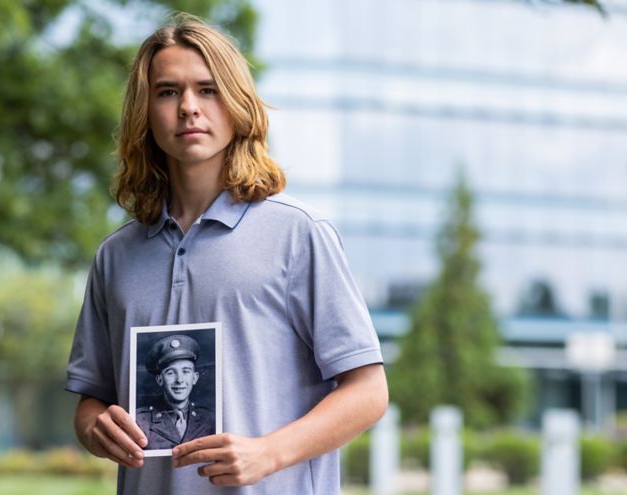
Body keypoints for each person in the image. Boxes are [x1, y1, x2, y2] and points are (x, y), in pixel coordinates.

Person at [66, 12, 388, 494]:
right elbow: (92, 401)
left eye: (208, 89)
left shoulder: (299, 234)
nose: (189, 107)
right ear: (145, 110)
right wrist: (94, 428)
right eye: (168, 91)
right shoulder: (116, 256)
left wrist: (269, 453)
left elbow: (368, 392)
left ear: (237, 104)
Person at [136, 334, 215, 449]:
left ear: (195, 378)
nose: (180, 380)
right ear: (160, 379)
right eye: (171, 373)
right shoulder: (140, 421)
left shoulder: (210, 420)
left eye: (186, 371)